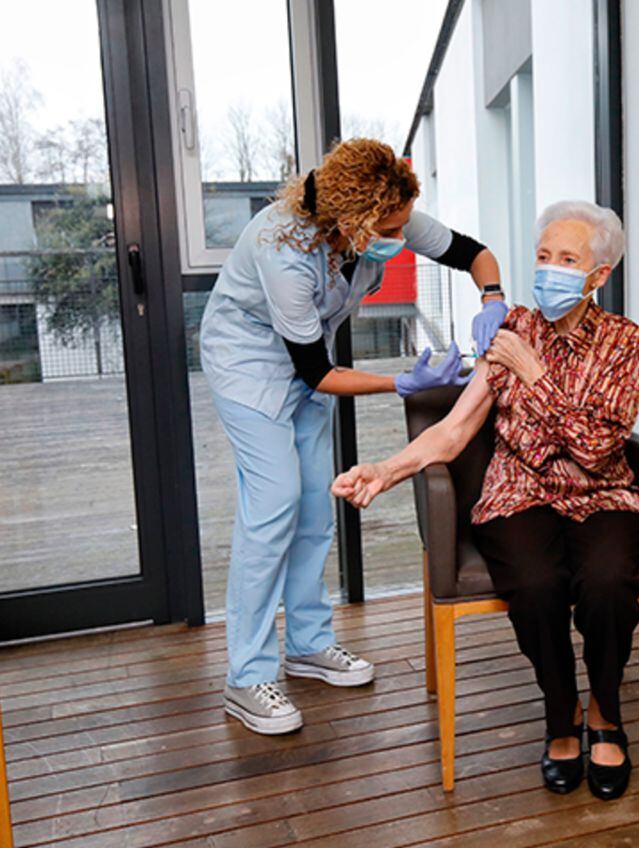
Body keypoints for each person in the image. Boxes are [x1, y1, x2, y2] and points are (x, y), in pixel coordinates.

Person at [332, 200, 639, 800]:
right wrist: (385, 469)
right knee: (535, 585)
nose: (549, 269)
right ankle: (563, 717)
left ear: (598, 277)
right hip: (519, 492)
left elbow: (598, 448)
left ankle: (605, 713)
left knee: (608, 584)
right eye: (542, 256)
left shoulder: (626, 343)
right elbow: (455, 429)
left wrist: (534, 375)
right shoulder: (514, 331)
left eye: (567, 260)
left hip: (601, 491)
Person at [199, 138, 509, 736]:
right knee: (273, 507)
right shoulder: (281, 248)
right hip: (248, 368)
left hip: (308, 365)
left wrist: (492, 298)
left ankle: (308, 644)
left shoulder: (383, 213)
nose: (401, 236)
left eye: (402, 223)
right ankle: (246, 674)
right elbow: (317, 371)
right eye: (390, 228)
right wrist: (404, 381)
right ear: (352, 219)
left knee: (317, 504)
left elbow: (475, 253)